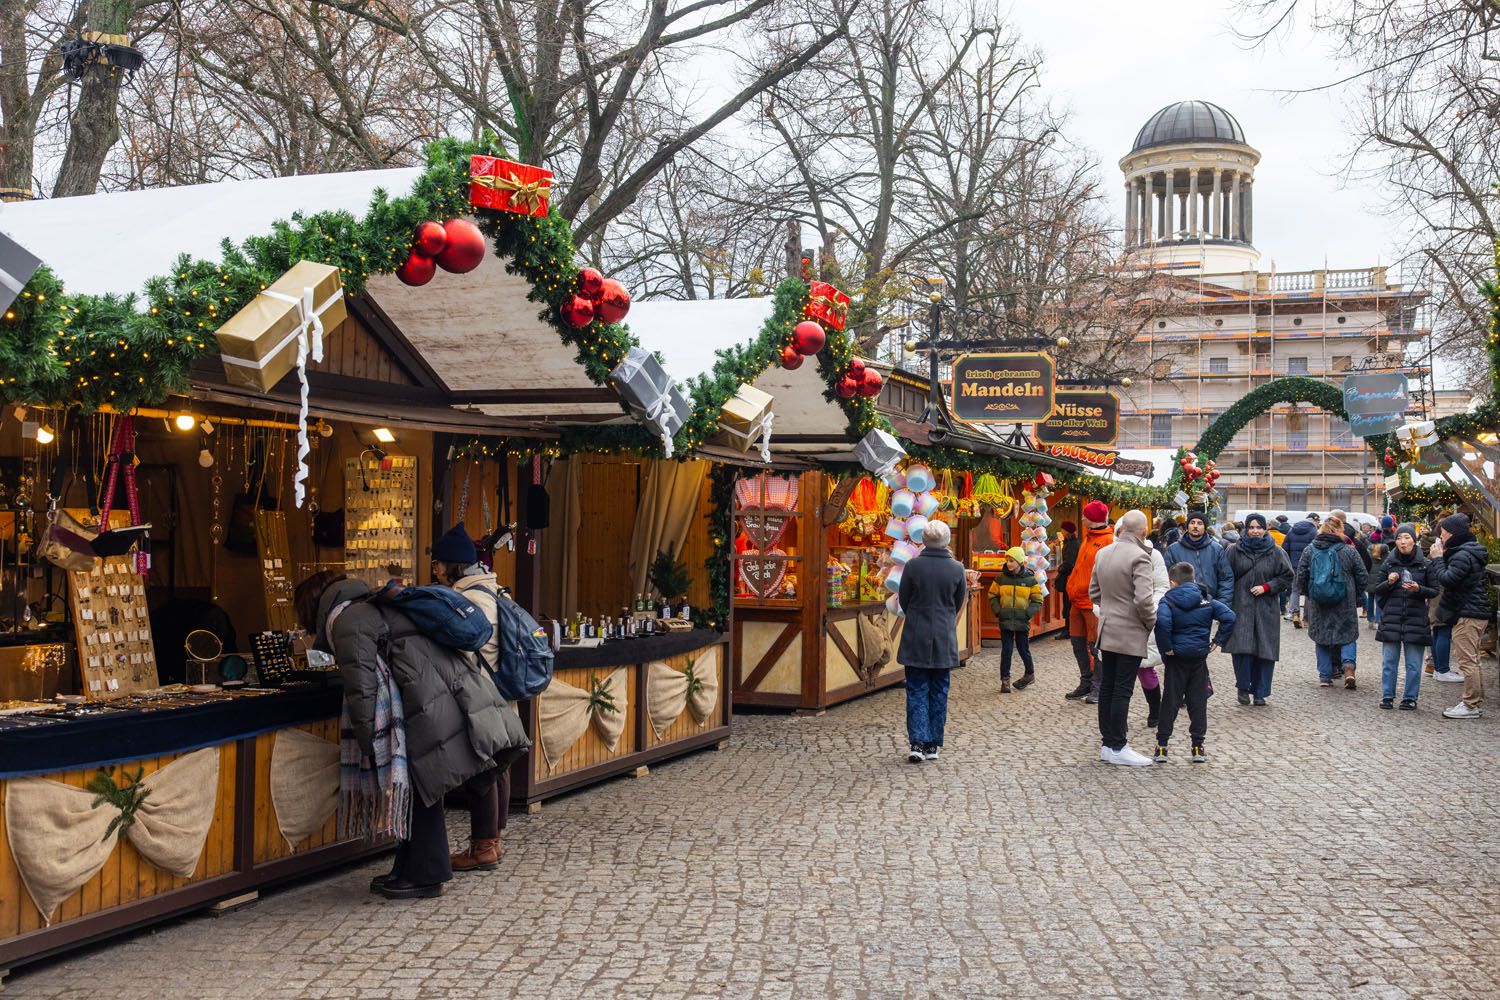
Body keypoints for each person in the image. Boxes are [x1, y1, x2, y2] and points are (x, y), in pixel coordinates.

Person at [294, 570, 530, 900]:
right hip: (438, 696)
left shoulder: (347, 620)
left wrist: (368, 744)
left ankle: (426, 875)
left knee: (423, 788)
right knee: (420, 787)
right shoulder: (370, 605)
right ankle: (408, 868)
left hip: (425, 705)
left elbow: (361, 688)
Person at [431, 524, 514, 872]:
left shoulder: (466, 601)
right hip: (502, 694)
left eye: (438, 562)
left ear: (451, 565)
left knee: (483, 771)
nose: (434, 568)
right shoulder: (498, 593)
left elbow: (460, 650)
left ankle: (482, 847)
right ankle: (494, 839)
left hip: (479, 694)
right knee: (498, 767)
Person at [1088, 509, 1157, 766]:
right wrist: (1150, 622)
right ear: (1143, 531)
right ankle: (1118, 745)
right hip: (1130, 629)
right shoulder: (1140, 557)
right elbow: (1143, 599)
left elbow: (1093, 591)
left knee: (1108, 686)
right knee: (1122, 689)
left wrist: (1109, 609)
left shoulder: (1103, 553)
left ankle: (1108, 743)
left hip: (1107, 628)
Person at [896, 519, 968, 761]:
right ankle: (933, 745)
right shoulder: (957, 568)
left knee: (916, 688)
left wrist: (917, 614)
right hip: (944, 636)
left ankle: (917, 742)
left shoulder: (913, 566)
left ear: (923, 540)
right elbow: (959, 602)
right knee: (939, 689)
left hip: (916, 633)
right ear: (946, 541)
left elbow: (904, 600)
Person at [1153, 562, 1236, 762]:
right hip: (1198, 657)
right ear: (1193, 579)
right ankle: (1198, 746)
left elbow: (1162, 623)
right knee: (1198, 702)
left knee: (1170, 702)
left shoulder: (1168, 602)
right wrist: (1217, 641)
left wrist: (1167, 647)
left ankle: (1162, 746)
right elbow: (1230, 617)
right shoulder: (1206, 600)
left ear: (1173, 582)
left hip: (1176, 659)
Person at [1225, 513, 1295, 704]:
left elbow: (1287, 577)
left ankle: (1260, 692)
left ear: (1265, 529)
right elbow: (1225, 576)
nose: (1255, 531)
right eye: (1251, 527)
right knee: (1242, 649)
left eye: (1258, 527)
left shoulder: (1277, 552)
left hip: (1266, 608)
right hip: (1241, 606)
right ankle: (1243, 687)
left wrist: (1267, 587)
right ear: (1246, 529)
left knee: (1265, 651)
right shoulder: (1234, 550)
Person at [1429, 513, 1492, 719]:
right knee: (1472, 659)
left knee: (1467, 661)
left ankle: (1470, 704)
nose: (1442, 537)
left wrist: (1438, 559)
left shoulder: (1463, 554)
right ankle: (1474, 701)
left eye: (1444, 533)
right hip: (1474, 610)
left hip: (1467, 612)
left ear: (1453, 534)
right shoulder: (1469, 551)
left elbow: (1448, 579)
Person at [1296, 517, 1368, 689]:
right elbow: (1362, 575)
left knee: (1321, 637)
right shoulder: (1348, 550)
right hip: (1345, 600)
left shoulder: (1309, 549)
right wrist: (1355, 593)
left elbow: (1300, 576)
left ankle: (1325, 676)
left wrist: (1311, 593)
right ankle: (1349, 669)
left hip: (1319, 601)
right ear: (1340, 530)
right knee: (1348, 635)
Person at [1372, 523, 1435, 711]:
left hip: (1416, 618)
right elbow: (1377, 589)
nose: (1402, 542)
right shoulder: (1389, 563)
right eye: (1399, 538)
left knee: (1414, 664)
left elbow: (1434, 590)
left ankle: (1409, 698)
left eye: (1407, 538)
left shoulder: (1425, 564)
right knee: (1389, 662)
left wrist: (1419, 589)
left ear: (1414, 541)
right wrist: (1389, 582)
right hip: (1392, 617)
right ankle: (1387, 696)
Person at [1064, 501, 1113, 702]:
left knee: (1095, 645)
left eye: (1085, 516)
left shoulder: (1108, 541)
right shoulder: (1088, 538)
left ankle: (1098, 686)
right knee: (1077, 643)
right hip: (1077, 600)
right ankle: (1086, 681)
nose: (1082, 519)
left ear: (1092, 519)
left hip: (1093, 603)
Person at [988, 546, 1042, 692]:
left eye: (1011, 560)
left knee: (1023, 648)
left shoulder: (1030, 580)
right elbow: (992, 595)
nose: (1008, 563)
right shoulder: (1000, 579)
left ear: (1019, 562)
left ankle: (1029, 674)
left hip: (1022, 620)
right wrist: (998, 611)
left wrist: (1027, 613)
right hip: (1005, 620)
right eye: (1007, 560)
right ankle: (1005, 681)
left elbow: (1037, 599)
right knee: (1006, 650)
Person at [1164, 511, 1235, 607]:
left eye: (1199, 523)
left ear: (1205, 527)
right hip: (1182, 608)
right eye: (1192, 522)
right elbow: (1167, 580)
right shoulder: (1173, 550)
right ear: (1187, 526)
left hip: (1211, 606)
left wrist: (1221, 605)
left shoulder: (1217, 549)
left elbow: (1226, 579)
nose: (1195, 526)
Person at [1137, 537, 1172, 729]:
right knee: (1119, 673)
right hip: (1118, 619)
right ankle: (1117, 717)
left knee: (1145, 667)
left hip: (1145, 615)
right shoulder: (1112, 552)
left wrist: (1150, 607)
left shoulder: (1153, 555)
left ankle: (1155, 710)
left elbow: (1161, 586)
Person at [1281, 514, 1318, 627]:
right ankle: (1307, 618)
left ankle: (1295, 613)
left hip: (1294, 564)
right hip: (1309, 565)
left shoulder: (1292, 530)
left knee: (1295, 589)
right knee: (1308, 591)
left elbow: (1284, 548)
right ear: (1314, 522)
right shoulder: (1314, 532)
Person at [1053, 521, 1080, 641]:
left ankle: (1068, 629)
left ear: (1067, 531)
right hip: (1070, 578)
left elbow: (1069, 562)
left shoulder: (1072, 544)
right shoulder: (1071, 542)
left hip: (1070, 578)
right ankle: (1068, 629)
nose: (1061, 532)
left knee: (1068, 604)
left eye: (1062, 530)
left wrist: (1060, 568)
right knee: (1067, 603)